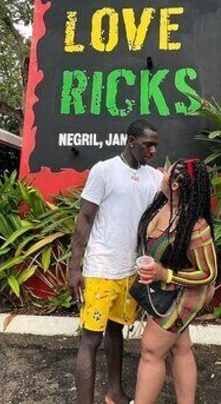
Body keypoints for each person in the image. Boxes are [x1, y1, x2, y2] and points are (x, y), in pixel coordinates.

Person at [69, 119, 163, 404]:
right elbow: (85, 218)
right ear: (131, 141)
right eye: (148, 145)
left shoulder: (153, 178)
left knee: (116, 331)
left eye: (156, 146)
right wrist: (75, 266)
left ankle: (114, 393)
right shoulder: (104, 171)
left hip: (130, 269)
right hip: (101, 269)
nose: (153, 151)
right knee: (90, 340)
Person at [133, 159, 217, 404]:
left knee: (151, 350)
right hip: (162, 291)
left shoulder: (195, 226)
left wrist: (165, 274)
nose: (162, 173)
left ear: (177, 184)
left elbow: (208, 273)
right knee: (180, 347)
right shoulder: (163, 202)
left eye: (168, 173)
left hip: (184, 294)